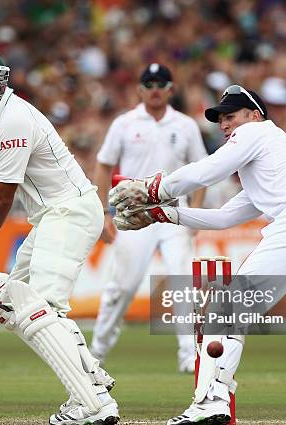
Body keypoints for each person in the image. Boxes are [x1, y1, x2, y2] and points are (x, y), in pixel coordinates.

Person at [109, 85, 286, 425]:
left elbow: (208, 171)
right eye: (220, 118)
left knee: (226, 307)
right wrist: (166, 215)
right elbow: (222, 217)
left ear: (255, 115)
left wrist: (153, 189)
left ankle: (210, 401)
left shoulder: (256, 131)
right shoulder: (271, 160)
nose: (224, 124)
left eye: (231, 116)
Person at [0, 49, 119, 425]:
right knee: (7, 299)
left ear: (1, 79)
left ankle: (92, 404)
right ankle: (92, 380)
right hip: (52, 217)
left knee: (41, 305)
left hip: (69, 210)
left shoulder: (14, 118)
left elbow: (4, 195)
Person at [91, 63, 207, 372]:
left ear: (170, 90)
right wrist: (104, 211)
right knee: (122, 287)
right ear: (140, 90)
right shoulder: (125, 124)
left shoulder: (185, 125)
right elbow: (104, 166)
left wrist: (194, 214)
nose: (155, 90)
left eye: (161, 84)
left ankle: (189, 356)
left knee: (183, 282)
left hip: (173, 213)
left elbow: (202, 172)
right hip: (133, 215)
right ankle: (96, 354)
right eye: (149, 84)